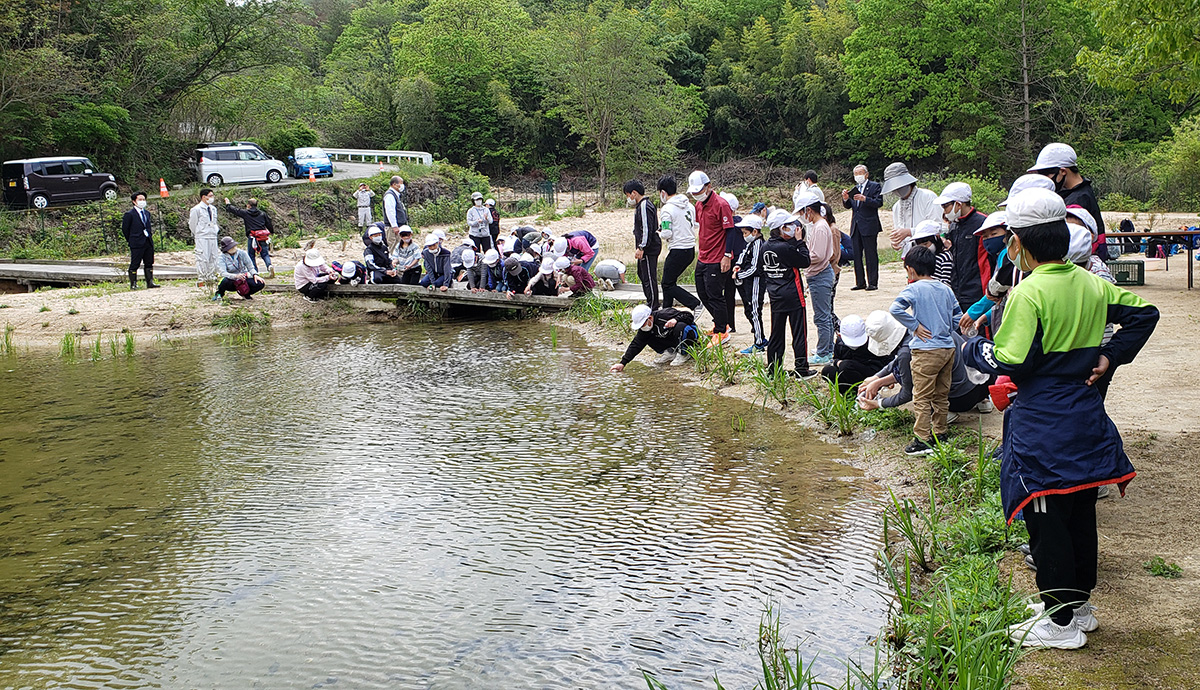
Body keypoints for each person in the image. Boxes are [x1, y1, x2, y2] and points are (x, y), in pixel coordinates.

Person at [960, 187, 1158, 650]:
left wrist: (972, 348)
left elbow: (1013, 361)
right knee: (1080, 509)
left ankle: (1060, 622)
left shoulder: (1029, 293)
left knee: (1046, 515)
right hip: (1085, 415)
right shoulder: (1091, 282)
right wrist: (1109, 356)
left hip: (1043, 423)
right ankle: (1078, 605)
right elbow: (1145, 314)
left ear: (1019, 243)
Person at [888, 245, 963, 456]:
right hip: (947, 348)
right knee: (941, 393)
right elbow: (958, 315)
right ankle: (940, 431)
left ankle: (922, 438)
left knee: (921, 396)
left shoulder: (913, 289)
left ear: (910, 270)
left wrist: (914, 325)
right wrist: (946, 329)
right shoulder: (945, 289)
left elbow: (895, 309)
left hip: (925, 350)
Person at [858, 330, 990, 413]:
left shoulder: (907, 352)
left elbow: (907, 393)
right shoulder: (930, 328)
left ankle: (942, 414)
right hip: (983, 384)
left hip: (961, 400)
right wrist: (877, 379)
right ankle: (984, 401)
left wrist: (878, 404)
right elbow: (902, 365)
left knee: (922, 390)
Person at [1028, 143, 1107, 260]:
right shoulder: (1079, 191)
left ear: (1063, 171)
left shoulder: (1078, 200)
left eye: (1046, 174)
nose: (1045, 179)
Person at [761, 209, 815, 379]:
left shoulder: (765, 247)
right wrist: (800, 242)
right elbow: (805, 261)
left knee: (776, 334)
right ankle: (801, 369)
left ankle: (773, 370)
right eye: (790, 226)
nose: (794, 228)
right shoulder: (786, 248)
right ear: (782, 228)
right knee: (799, 332)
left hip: (775, 295)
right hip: (793, 294)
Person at [689, 170, 735, 342]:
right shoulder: (699, 205)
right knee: (702, 292)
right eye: (693, 192)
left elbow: (730, 231)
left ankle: (722, 330)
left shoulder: (721, 205)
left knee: (715, 294)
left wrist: (727, 255)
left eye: (699, 191)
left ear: (708, 187)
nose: (696, 194)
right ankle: (719, 322)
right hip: (703, 256)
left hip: (718, 257)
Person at [794, 191, 836, 365]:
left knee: (821, 316)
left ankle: (824, 352)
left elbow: (817, 255)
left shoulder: (819, 227)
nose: (803, 217)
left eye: (803, 212)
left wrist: (800, 253)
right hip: (819, 274)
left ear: (809, 210)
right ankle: (828, 348)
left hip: (820, 275)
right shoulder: (820, 225)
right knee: (824, 315)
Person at [935, 182, 991, 311]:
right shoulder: (955, 225)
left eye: (946, 207)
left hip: (978, 290)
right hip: (958, 290)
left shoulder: (983, 223)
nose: (944, 212)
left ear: (958, 204)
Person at [656, 176, 702, 316]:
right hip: (690, 249)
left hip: (677, 249)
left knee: (667, 283)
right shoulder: (690, 206)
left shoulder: (667, 209)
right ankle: (666, 310)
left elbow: (667, 233)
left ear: (663, 192)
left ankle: (695, 304)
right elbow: (695, 224)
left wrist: (658, 233)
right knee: (670, 281)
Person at [821, 315, 895, 394]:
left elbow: (888, 360)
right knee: (828, 371)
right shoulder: (840, 343)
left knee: (845, 366)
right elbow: (836, 358)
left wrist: (888, 378)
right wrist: (838, 362)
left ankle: (868, 392)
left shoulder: (874, 340)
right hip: (848, 372)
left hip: (871, 374)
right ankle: (849, 395)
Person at [610, 304, 699, 371]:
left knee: (680, 327)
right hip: (671, 340)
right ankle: (670, 352)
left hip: (690, 334)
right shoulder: (645, 329)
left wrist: (676, 320)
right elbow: (636, 344)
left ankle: (684, 353)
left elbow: (689, 316)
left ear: (649, 318)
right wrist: (623, 363)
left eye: (642, 324)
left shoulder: (665, 314)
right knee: (646, 337)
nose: (642, 327)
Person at [881, 163, 940, 256]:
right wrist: (897, 242)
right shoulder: (896, 207)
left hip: (931, 254)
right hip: (911, 257)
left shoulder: (928, 197)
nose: (897, 190)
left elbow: (938, 227)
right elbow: (900, 231)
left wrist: (910, 232)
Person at [842, 164, 884, 291]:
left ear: (866, 174)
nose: (858, 176)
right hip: (856, 225)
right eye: (855, 174)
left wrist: (865, 199)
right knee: (857, 254)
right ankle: (860, 282)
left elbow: (879, 202)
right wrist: (845, 199)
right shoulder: (854, 188)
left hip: (869, 225)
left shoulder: (875, 186)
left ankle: (872, 282)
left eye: (860, 173)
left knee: (870, 254)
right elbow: (849, 206)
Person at [732, 214, 767, 354]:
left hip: (756, 282)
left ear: (755, 232)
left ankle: (759, 343)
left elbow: (754, 268)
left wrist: (738, 275)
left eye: (746, 233)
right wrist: (738, 265)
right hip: (749, 282)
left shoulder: (758, 244)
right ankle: (760, 338)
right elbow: (743, 255)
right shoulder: (751, 244)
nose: (744, 236)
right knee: (750, 310)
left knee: (754, 311)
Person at [625, 179, 661, 309]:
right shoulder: (641, 206)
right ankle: (650, 301)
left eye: (628, 195)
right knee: (642, 274)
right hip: (646, 247)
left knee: (649, 277)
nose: (629, 199)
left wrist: (642, 247)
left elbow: (646, 228)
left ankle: (653, 305)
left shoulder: (644, 205)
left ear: (634, 193)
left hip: (649, 248)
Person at [223, 196, 275, 277]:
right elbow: (269, 224)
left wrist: (228, 204)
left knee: (251, 255)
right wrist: (271, 232)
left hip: (252, 237)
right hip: (262, 237)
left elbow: (235, 210)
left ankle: (255, 272)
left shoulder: (246, 213)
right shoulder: (262, 213)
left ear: (248, 205)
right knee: (265, 254)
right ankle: (269, 266)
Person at [121, 191, 159, 290]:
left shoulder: (147, 213)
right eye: (140, 200)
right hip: (136, 242)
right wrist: (131, 240)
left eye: (143, 199)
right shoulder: (129, 214)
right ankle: (133, 283)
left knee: (149, 262)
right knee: (135, 263)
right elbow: (125, 229)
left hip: (147, 240)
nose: (142, 201)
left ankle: (150, 282)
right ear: (134, 201)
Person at [719, 191, 743, 333]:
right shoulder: (743, 223)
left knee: (729, 293)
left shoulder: (730, 225)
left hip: (732, 260)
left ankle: (730, 323)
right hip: (741, 260)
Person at [188, 188, 221, 289]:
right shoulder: (196, 209)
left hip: (212, 235)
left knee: (213, 256)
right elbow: (192, 224)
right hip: (201, 236)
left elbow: (214, 221)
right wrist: (198, 232)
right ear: (203, 197)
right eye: (210, 196)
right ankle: (202, 277)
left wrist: (215, 230)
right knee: (202, 257)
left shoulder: (213, 209)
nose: (212, 198)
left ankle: (211, 275)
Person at [214, 236, 264, 301]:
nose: (234, 248)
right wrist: (235, 276)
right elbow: (223, 272)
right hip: (231, 280)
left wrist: (255, 275)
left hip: (243, 278)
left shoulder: (242, 253)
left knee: (260, 283)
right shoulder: (221, 258)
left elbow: (250, 267)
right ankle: (219, 293)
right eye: (231, 247)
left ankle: (246, 293)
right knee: (224, 282)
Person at [911, 220, 954, 286]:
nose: (924, 248)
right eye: (920, 245)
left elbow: (946, 283)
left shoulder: (945, 257)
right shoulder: (920, 259)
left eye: (926, 244)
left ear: (936, 239)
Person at [382, 176, 409, 251]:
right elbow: (390, 211)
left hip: (399, 226)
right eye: (401, 183)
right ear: (394, 184)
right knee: (394, 248)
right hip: (393, 228)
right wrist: (394, 226)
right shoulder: (390, 196)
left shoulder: (396, 195)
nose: (402, 186)